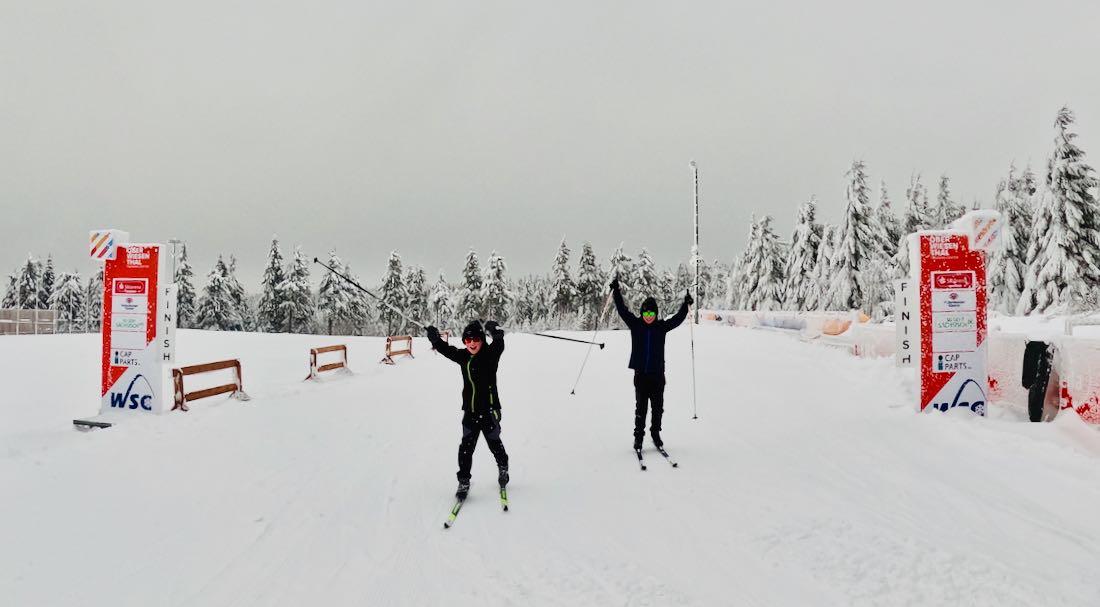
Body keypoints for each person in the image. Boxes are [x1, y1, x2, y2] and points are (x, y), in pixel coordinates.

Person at [426, 320, 508, 500]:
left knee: (494, 443)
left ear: (482, 340)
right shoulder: (464, 357)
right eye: (467, 340)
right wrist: (435, 340)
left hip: (489, 411)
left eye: (476, 340)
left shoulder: (490, 355)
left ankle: (503, 468)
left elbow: (499, 343)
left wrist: (494, 331)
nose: (471, 343)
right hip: (470, 412)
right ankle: (464, 481)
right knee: (465, 449)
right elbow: (447, 350)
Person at [610, 276, 693, 451]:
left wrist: (685, 306)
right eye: (646, 313)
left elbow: (677, 319)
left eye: (652, 314)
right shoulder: (636, 325)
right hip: (641, 375)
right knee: (641, 409)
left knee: (657, 409)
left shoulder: (661, 327)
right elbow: (623, 310)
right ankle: (638, 437)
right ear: (642, 313)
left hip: (657, 375)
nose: (648, 317)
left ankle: (655, 433)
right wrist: (616, 291)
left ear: (656, 314)